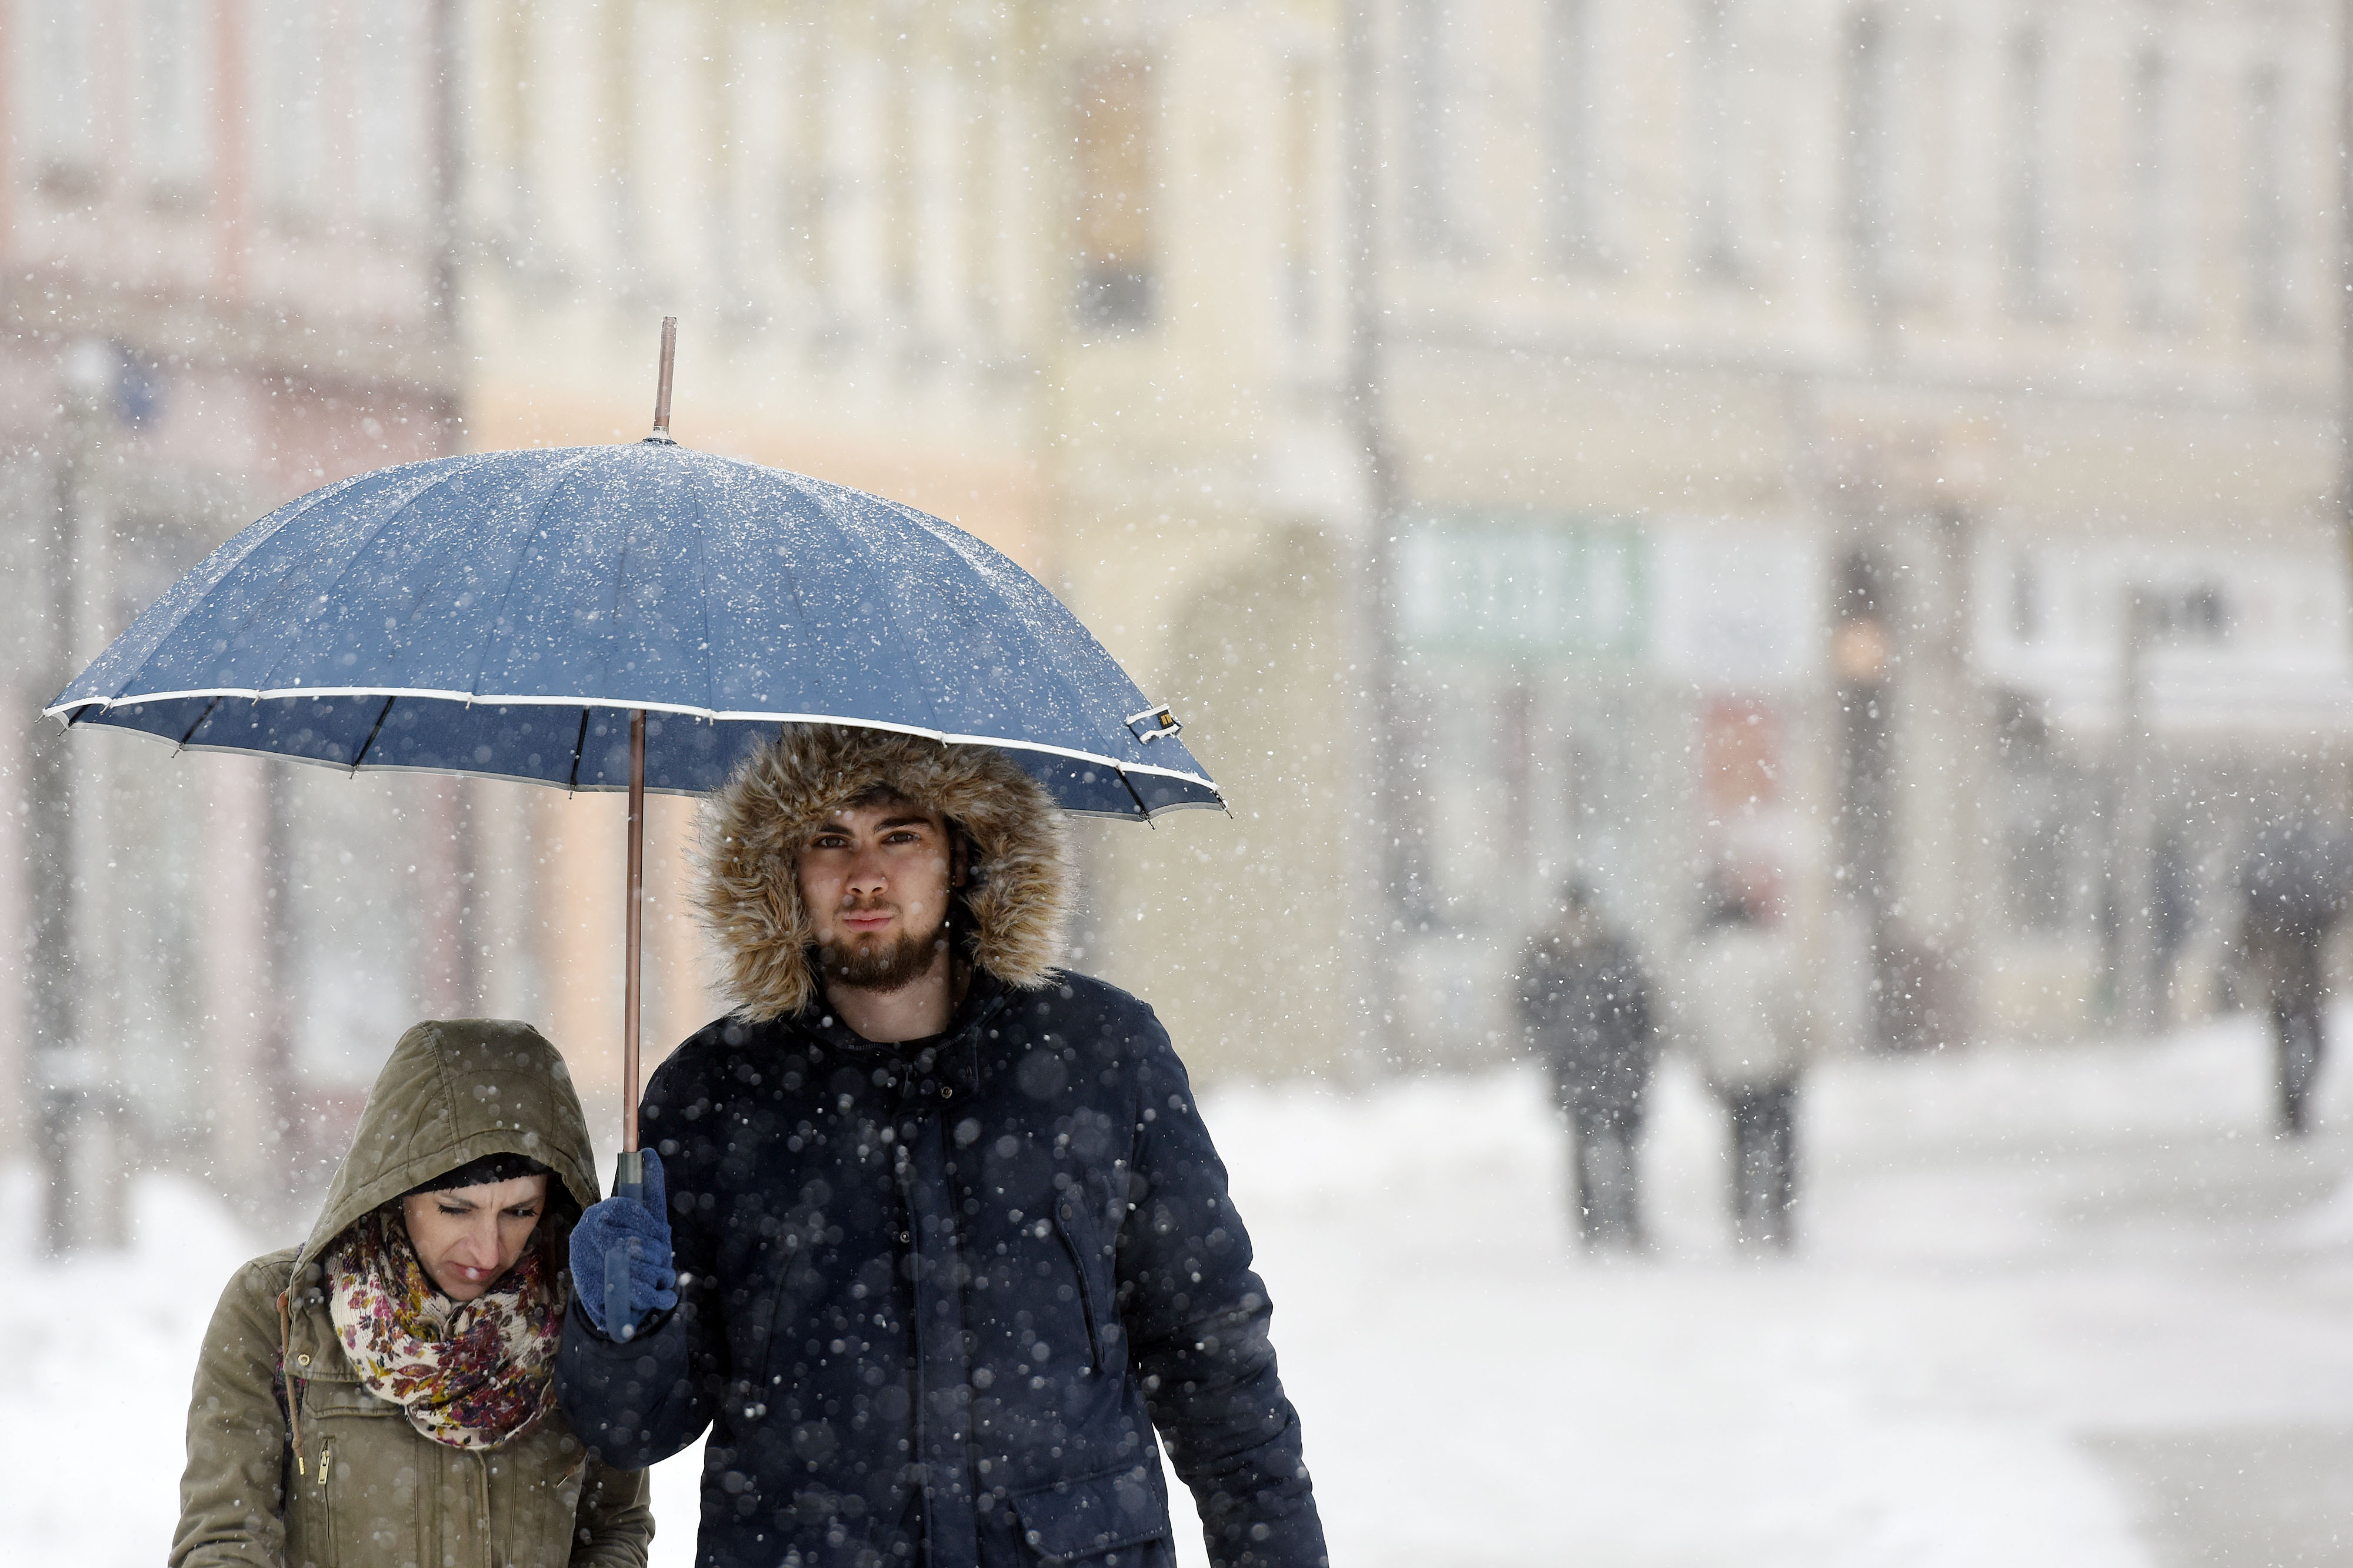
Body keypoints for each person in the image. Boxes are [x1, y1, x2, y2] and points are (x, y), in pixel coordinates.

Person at [557, 725, 1326, 1568]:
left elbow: (1211, 1352)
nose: (865, 875)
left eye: (900, 835)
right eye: (828, 840)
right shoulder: (714, 1093)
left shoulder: (1100, 1053)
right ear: (784, 871)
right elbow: (635, 1428)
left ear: (962, 854)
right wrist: (623, 1331)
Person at [172, 1020, 654, 1568]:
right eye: (456, 1209)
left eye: (520, 1212)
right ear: (394, 1190)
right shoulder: (276, 1312)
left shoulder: (587, 1319)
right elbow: (224, 1541)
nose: (489, 1251)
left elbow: (615, 1528)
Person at [1515, 882, 1655, 1249]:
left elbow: (1642, 1010)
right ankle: (1590, 1222)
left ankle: (1627, 1218)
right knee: (1581, 1145)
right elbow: (1528, 1006)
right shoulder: (1547, 958)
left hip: (1620, 1069)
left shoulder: (1616, 955)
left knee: (1625, 1147)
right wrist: (1554, 1045)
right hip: (1574, 1071)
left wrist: (1638, 1056)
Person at [1681, 891, 1815, 1250]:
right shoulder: (1768, 954)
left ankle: (1742, 1211)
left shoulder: (1703, 961)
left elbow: (1692, 1022)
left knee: (1739, 1143)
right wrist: (1796, 1049)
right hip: (1774, 1066)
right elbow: (1790, 1009)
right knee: (1781, 1143)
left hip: (1730, 1071)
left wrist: (1706, 1063)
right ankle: (1779, 1212)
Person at [2237, 816, 2344, 1135]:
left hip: (2286, 985)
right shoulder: (2308, 900)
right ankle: (2295, 1109)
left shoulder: (2265, 901)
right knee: (2311, 1045)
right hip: (2300, 985)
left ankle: (2291, 1109)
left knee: (2293, 1046)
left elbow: (2247, 944)